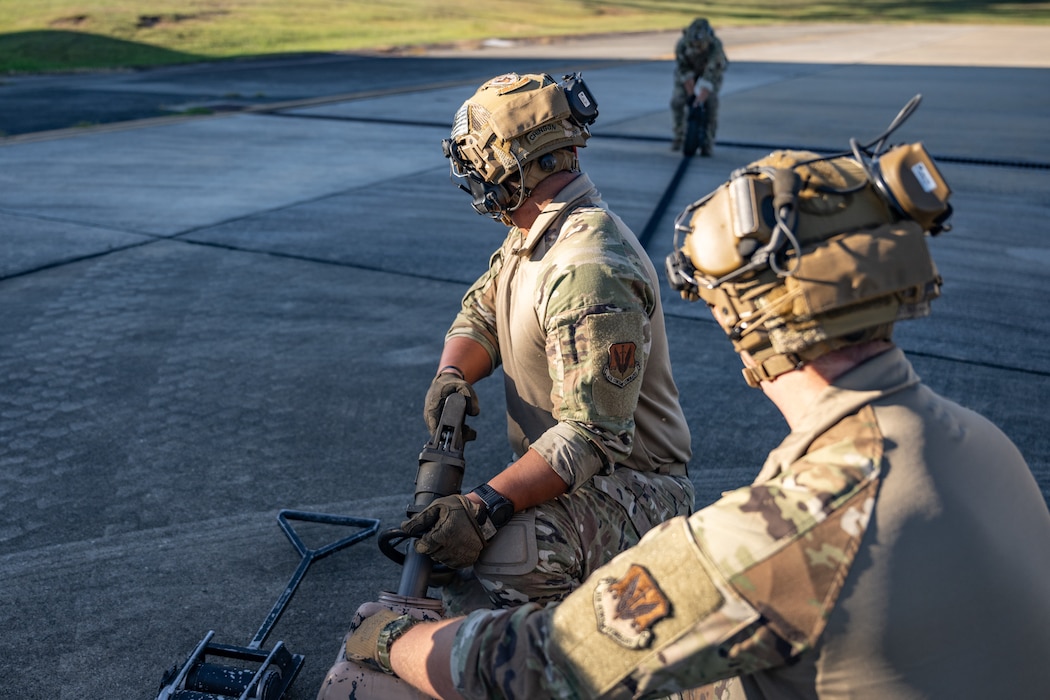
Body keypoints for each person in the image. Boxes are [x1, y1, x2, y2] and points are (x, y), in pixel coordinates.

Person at [340, 144, 1050, 698]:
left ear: (745, 322)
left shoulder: (780, 533)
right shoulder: (984, 445)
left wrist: (393, 635)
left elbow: (536, 666)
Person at [406, 72, 693, 615]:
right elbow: (483, 312)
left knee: (514, 555)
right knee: (458, 552)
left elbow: (593, 437)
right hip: (581, 471)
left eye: (480, 165)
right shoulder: (534, 232)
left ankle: (565, 661)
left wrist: (484, 505)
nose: (474, 179)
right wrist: (452, 377)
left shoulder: (588, 268)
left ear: (517, 166)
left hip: (638, 486)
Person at [671, 18, 728, 156]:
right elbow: (683, 70)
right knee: (677, 102)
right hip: (689, 73)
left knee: (711, 105)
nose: (696, 48)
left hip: (711, 73)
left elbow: (711, 75)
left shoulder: (716, 47)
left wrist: (700, 99)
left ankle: (707, 143)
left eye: (700, 45)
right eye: (693, 45)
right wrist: (691, 96)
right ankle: (680, 137)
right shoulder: (682, 45)